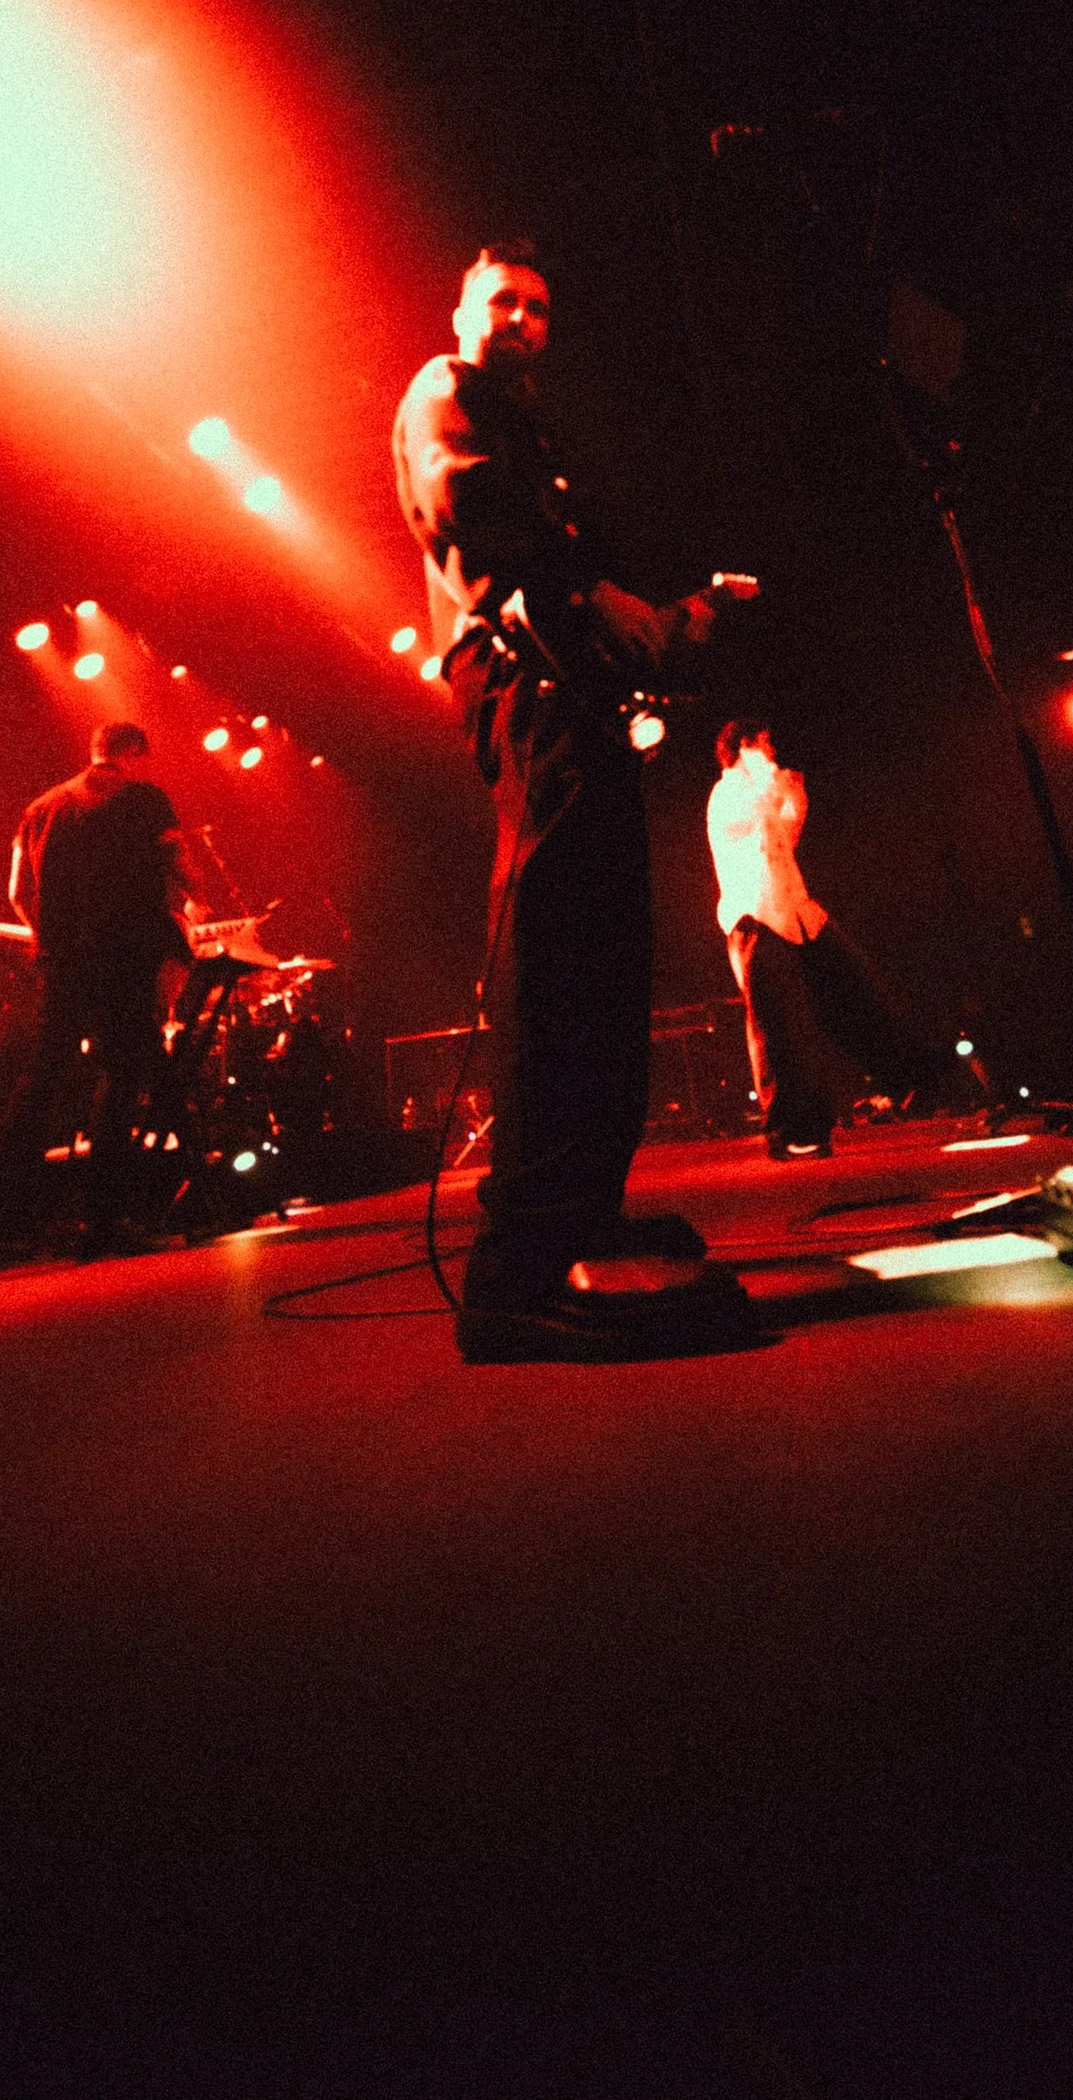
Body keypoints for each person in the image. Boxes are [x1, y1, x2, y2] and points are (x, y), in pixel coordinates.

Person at [391, 243, 757, 1360]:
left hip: (571, 687)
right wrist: (610, 598)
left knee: (604, 949)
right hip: (522, 683)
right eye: (499, 299)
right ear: (461, 309)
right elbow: (472, 506)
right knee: (555, 947)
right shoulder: (444, 392)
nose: (519, 316)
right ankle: (518, 1266)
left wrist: (665, 623)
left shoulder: (519, 418)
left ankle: (582, 1206)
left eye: (538, 307)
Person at [0, 720, 202, 1259]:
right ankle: (102, 1221)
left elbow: (15, 892)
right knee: (123, 1074)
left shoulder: (39, 808)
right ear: (133, 754)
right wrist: (194, 902)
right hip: (123, 955)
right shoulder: (145, 798)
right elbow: (182, 866)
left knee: (41, 1079)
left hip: (62, 963)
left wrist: (50, 938)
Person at [707, 724, 924, 1155]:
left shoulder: (760, 791)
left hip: (798, 912)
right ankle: (794, 1129)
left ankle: (911, 1081)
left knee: (855, 992)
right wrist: (773, 782)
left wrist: (797, 802)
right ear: (744, 747)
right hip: (756, 918)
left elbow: (781, 841)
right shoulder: (727, 792)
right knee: (781, 1025)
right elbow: (749, 816)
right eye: (764, 741)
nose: (772, 749)